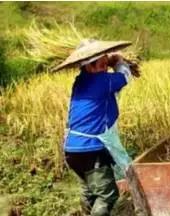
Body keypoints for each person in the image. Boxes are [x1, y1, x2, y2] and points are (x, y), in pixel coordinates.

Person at [53, 39, 138, 215]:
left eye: (106, 61)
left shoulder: (80, 81)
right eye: (102, 62)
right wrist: (120, 61)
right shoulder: (101, 81)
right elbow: (125, 76)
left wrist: (111, 61)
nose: (106, 64)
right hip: (90, 149)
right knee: (107, 195)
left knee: (90, 192)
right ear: (89, 66)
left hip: (72, 150)